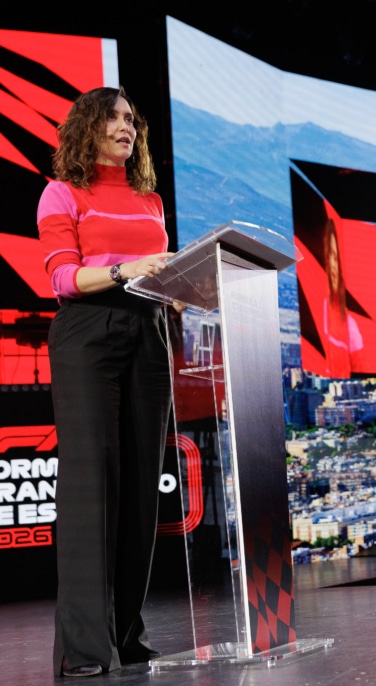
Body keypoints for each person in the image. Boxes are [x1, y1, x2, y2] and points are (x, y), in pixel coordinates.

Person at [37, 86, 175, 678]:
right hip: (87, 335)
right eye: (114, 117)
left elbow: (162, 270)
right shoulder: (61, 192)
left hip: (150, 330)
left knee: (144, 488)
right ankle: (84, 650)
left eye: (132, 119)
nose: (127, 127)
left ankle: (127, 634)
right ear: (88, 126)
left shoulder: (150, 201)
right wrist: (126, 269)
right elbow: (62, 280)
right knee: (93, 489)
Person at [322, 217, 364, 377]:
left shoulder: (351, 326)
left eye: (336, 257)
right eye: (330, 255)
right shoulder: (323, 308)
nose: (333, 264)